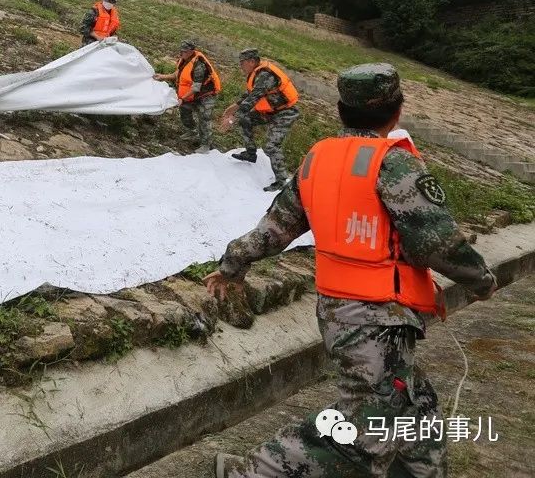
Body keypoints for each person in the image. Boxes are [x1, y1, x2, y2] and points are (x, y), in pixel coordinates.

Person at [206, 63, 497, 478]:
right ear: (396, 112)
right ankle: (256, 472)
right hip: (376, 318)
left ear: (341, 111)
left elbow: (275, 228)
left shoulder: (317, 159)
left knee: (417, 406)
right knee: (364, 432)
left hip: (339, 310)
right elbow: (438, 243)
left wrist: (233, 263)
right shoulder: (393, 164)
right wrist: (481, 281)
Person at [221, 48, 300, 191]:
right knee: (246, 120)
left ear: (252, 61)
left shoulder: (265, 75)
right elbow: (250, 93)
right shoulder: (256, 73)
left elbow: (253, 98)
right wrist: (235, 106)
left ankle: (282, 181)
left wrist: (232, 119)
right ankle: (251, 154)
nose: (240, 66)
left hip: (285, 112)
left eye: (242, 63)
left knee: (271, 146)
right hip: (269, 111)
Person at [153, 40, 222, 153]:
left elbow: (196, 88)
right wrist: (163, 76)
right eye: (181, 51)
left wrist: (182, 98)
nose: (181, 54)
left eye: (184, 52)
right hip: (193, 94)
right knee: (184, 109)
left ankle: (206, 145)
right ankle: (192, 131)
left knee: (204, 118)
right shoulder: (184, 60)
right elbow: (178, 74)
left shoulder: (199, 65)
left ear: (191, 51)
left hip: (206, 95)